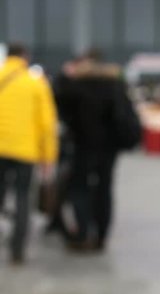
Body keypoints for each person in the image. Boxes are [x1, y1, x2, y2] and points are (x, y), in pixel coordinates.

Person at [54, 50, 140, 252]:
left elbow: (58, 103)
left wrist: (64, 75)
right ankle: (102, 235)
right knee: (104, 189)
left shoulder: (76, 87)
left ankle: (83, 233)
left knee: (79, 188)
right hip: (109, 148)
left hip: (83, 146)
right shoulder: (115, 86)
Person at [0, 43, 58, 264]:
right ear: (25, 57)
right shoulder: (35, 83)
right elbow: (47, 124)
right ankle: (17, 250)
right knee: (23, 197)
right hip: (25, 150)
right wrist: (48, 158)